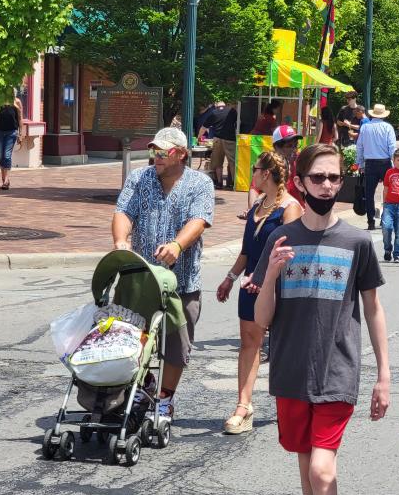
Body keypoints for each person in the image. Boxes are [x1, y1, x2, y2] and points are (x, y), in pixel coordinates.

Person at [252, 143, 391, 495]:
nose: (328, 185)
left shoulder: (356, 241)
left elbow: (373, 309)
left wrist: (384, 375)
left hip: (337, 372)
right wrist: (273, 272)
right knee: (306, 466)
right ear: (299, 182)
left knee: (321, 470)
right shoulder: (281, 238)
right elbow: (262, 320)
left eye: (334, 177)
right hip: (291, 373)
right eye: (319, 178)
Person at [112, 127, 215, 422]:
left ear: (181, 154)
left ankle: (165, 400)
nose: (156, 157)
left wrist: (177, 245)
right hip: (140, 278)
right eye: (153, 151)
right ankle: (140, 388)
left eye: (163, 152)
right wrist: (121, 242)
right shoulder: (138, 179)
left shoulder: (200, 183)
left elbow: (199, 220)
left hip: (182, 280)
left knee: (176, 346)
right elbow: (123, 213)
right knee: (130, 339)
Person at [216, 151, 302, 433]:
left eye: (255, 169)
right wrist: (230, 278)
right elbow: (246, 251)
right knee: (249, 343)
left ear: (266, 174)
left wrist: (264, 276)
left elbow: (290, 251)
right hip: (250, 284)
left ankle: (288, 400)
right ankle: (244, 406)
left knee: (284, 346)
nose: (252, 174)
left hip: (279, 285)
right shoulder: (257, 207)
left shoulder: (290, 207)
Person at [356, 103, 396, 231]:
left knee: (369, 194)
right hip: (385, 163)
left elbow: (359, 147)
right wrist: (394, 164)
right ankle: (385, 218)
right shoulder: (388, 127)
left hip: (370, 163)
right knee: (389, 192)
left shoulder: (365, 128)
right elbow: (392, 147)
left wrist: (360, 163)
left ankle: (370, 221)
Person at [0, 91, 24, 190]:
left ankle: (6, 180)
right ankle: (4, 178)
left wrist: (20, 134)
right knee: (0, 157)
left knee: (7, 155)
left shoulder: (17, 102)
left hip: (11, 132)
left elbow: (20, 119)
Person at [199, 100, 238, 189]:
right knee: (232, 161)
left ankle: (219, 183)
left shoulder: (214, 113)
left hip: (217, 139)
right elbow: (237, 123)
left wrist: (199, 137)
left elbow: (204, 127)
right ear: (225, 105)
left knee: (217, 162)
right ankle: (233, 182)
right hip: (230, 139)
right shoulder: (232, 111)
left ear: (216, 106)